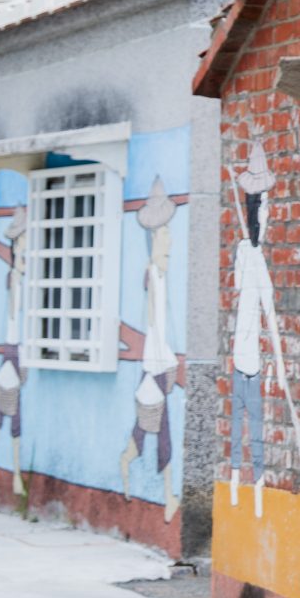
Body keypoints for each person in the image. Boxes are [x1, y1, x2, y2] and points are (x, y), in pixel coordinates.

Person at [229, 144, 288, 516]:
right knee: (241, 431)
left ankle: (256, 490)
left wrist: (280, 367)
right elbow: (242, 291)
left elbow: (270, 315)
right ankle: (239, 487)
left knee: (255, 432)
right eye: (262, 207)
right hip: (242, 358)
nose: (265, 214)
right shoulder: (247, 254)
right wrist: (249, 255)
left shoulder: (257, 260)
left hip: (252, 361)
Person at [120, 180, 182, 520]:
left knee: (149, 436)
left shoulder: (160, 275)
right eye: (165, 235)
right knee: (156, 437)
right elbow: (154, 330)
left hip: (160, 369)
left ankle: (134, 470)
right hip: (154, 372)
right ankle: (164, 493)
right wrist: (166, 362)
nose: (170, 240)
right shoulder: (152, 277)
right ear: (154, 238)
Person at [0, 205, 27, 496]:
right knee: (7, 415)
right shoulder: (15, 279)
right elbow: (14, 321)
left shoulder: (21, 278)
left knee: (6, 415)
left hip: (16, 353)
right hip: (11, 352)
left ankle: (5, 468)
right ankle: (3, 467)